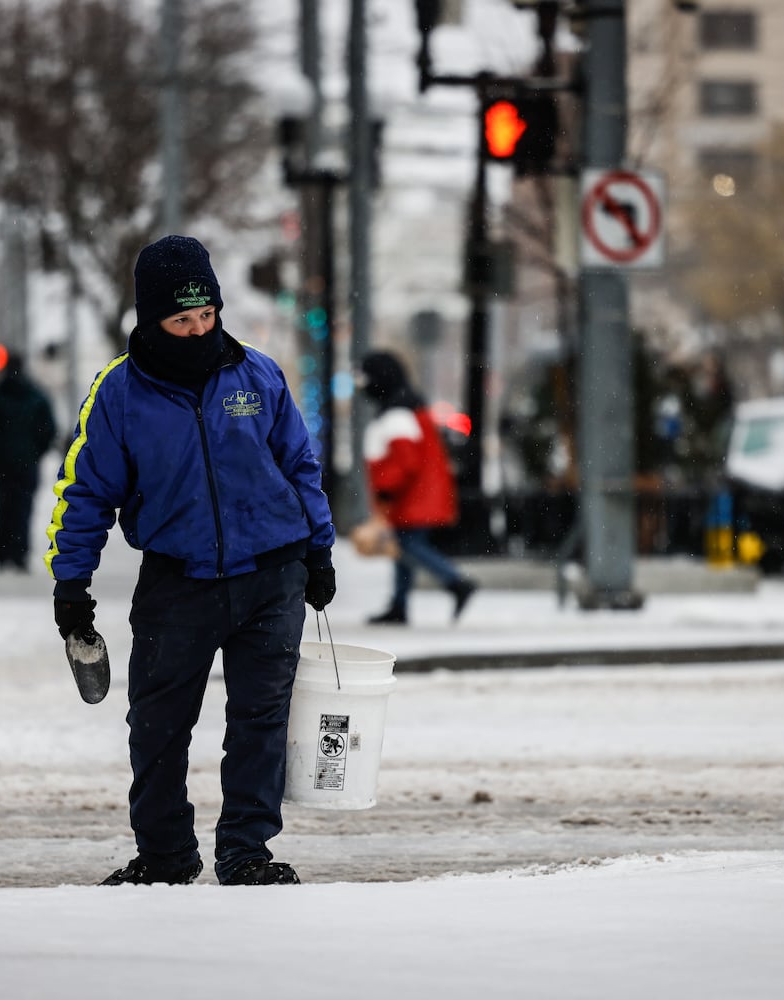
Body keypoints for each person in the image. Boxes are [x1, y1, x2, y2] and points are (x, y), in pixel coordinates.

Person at [44, 235, 336, 888]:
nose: (198, 329)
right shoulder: (118, 395)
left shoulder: (257, 375)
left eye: (207, 316)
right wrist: (72, 584)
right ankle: (166, 855)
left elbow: (300, 464)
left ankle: (246, 852)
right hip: (179, 581)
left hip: (272, 574)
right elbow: (83, 493)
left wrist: (318, 549)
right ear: (151, 320)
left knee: (260, 724)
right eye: (182, 320)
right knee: (157, 726)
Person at [358, 350, 477, 625]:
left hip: (411, 497)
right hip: (419, 495)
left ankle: (456, 582)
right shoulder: (406, 407)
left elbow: (404, 461)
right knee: (402, 550)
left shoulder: (397, 414)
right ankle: (399, 605)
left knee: (406, 546)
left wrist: (386, 490)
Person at [0, 352, 57, 573]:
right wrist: (36, 451)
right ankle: (20, 552)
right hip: (28, 464)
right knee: (24, 507)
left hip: (3, 463)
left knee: (4, 505)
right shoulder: (36, 396)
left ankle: (1, 552)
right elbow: (49, 428)